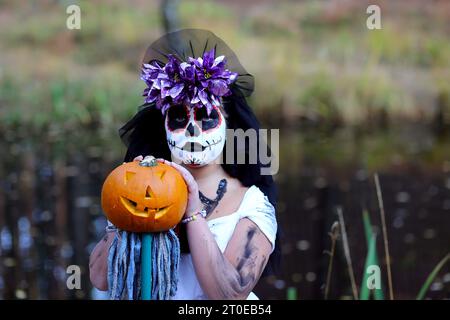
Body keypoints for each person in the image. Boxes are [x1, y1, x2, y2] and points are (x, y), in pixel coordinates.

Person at [89, 29, 280, 300]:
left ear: (228, 125)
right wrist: (126, 208)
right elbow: (99, 279)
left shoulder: (252, 205)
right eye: (179, 118)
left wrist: (192, 211)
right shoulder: (145, 192)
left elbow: (230, 296)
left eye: (205, 117)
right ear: (163, 127)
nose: (192, 130)